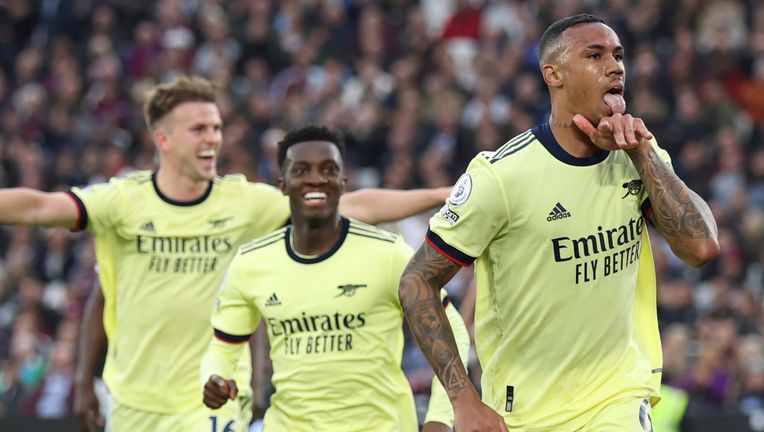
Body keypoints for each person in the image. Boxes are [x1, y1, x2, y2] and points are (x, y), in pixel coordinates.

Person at [0, 76, 451, 432]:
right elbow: (41, 207)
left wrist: (441, 194)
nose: (213, 138)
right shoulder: (121, 202)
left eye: (216, 127)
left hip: (213, 402)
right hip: (137, 403)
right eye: (199, 129)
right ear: (164, 140)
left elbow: (354, 204)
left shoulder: (243, 203)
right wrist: (82, 382)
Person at [397, 13, 720, 432]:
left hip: (616, 398)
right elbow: (417, 281)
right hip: (523, 410)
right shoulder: (501, 178)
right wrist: (464, 400)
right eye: (595, 55)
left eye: (619, 55)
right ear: (554, 74)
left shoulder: (639, 153)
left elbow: (701, 249)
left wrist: (643, 154)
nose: (615, 65)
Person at [200, 125, 470, 431]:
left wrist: (441, 416)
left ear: (342, 182)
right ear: (283, 185)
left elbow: (453, 330)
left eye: (328, 169)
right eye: (301, 170)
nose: (316, 178)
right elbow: (223, 346)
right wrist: (214, 377)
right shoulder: (251, 262)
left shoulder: (388, 254)